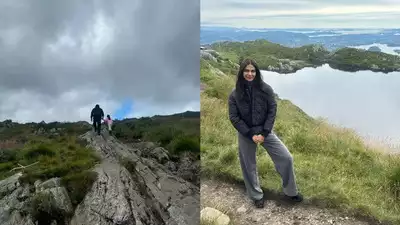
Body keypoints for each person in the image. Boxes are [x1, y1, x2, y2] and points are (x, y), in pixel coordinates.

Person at [228, 58, 303, 209]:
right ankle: (256, 196)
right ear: (242, 72)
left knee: (286, 157)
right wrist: (250, 134)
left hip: (265, 131)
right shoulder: (235, 94)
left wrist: (264, 132)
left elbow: (272, 110)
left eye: (253, 71)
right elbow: (234, 118)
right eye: (247, 71)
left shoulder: (266, 89)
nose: (250, 74)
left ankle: (290, 191)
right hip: (246, 133)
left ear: (257, 72)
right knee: (248, 165)